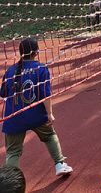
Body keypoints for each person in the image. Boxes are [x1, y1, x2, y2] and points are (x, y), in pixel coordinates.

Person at [0, 38, 73, 176]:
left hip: (14, 117)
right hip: (36, 115)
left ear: (21, 53)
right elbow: (45, 95)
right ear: (37, 52)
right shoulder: (41, 69)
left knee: (13, 152)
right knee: (50, 135)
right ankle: (59, 164)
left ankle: (9, 181)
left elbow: (3, 93)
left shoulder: (10, 71)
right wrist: (49, 113)